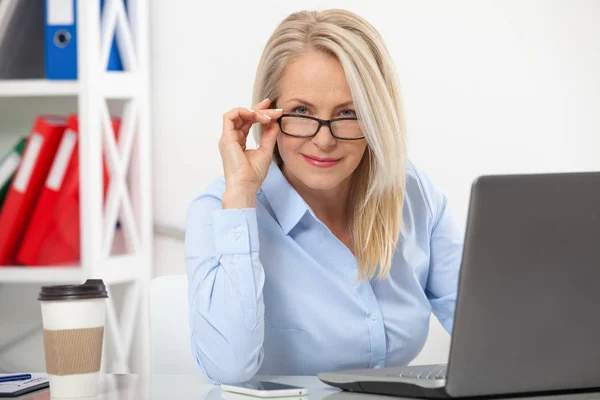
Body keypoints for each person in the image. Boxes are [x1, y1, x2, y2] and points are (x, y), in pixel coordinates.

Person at [185, 9, 463, 385]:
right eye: (301, 111)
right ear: (267, 113)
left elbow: (486, 327)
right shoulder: (220, 210)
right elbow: (228, 370)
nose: (324, 139)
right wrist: (241, 195)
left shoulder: (412, 192)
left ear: (377, 117)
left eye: (348, 113)